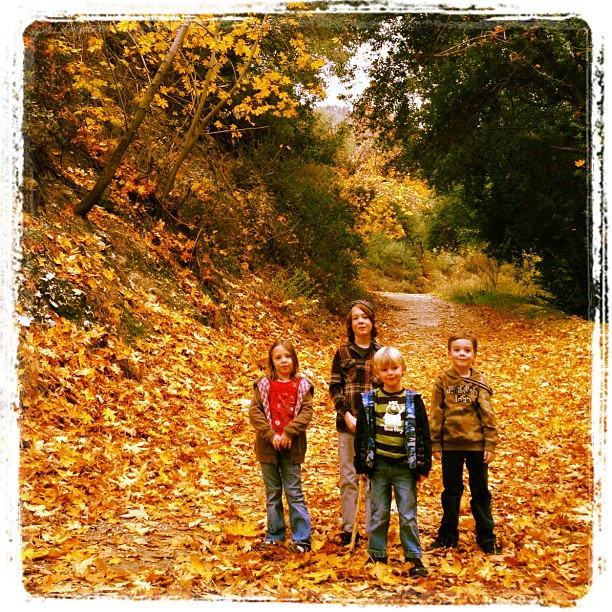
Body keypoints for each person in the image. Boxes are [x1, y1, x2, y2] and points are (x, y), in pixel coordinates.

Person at [354, 346, 431, 577]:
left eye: (395, 368)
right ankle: (377, 553)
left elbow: (423, 433)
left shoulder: (413, 400)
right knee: (379, 513)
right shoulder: (369, 401)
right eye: (384, 369)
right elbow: (361, 434)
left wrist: (423, 465)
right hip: (378, 466)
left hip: (403, 467)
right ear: (377, 373)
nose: (390, 373)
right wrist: (361, 465)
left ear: (403, 369)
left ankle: (413, 556)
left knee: (407, 514)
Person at [428, 332, 501, 554]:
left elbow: (487, 413)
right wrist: (436, 443)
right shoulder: (442, 381)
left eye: (467, 350)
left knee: (480, 491)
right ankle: (448, 535)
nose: (462, 353)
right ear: (449, 353)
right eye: (457, 349)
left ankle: (486, 537)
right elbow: (436, 412)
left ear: (474, 355)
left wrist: (490, 443)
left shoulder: (479, 381)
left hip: (477, 446)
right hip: (451, 445)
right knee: (451, 491)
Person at [248, 338, 314, 553]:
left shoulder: (302, 386)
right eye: (278, 358)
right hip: (268, 448)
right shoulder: (264, 385)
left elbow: (306, 413)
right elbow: (255, 412)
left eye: (288, 357)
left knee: (294, 492)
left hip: (291, 448)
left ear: (294, 360)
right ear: (272, 361)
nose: (283, 361)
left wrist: (288, 432)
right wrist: (271, 435)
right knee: (273, 492)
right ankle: (274, 534)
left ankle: (301, 539)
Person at [328, 299, 381, 545]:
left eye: (365, 317)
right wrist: (347, 414)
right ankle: (349, 529)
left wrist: (371, 418)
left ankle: (372, 529)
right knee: (349, 477)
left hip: (374, 426)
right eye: (355, 318)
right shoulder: (342, 352)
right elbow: (335, 386)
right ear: (351, 324)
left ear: (372, 322)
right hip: (347, 424)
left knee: (372, 476)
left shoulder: (381, 353)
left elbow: (387, 388)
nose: (361, 321)